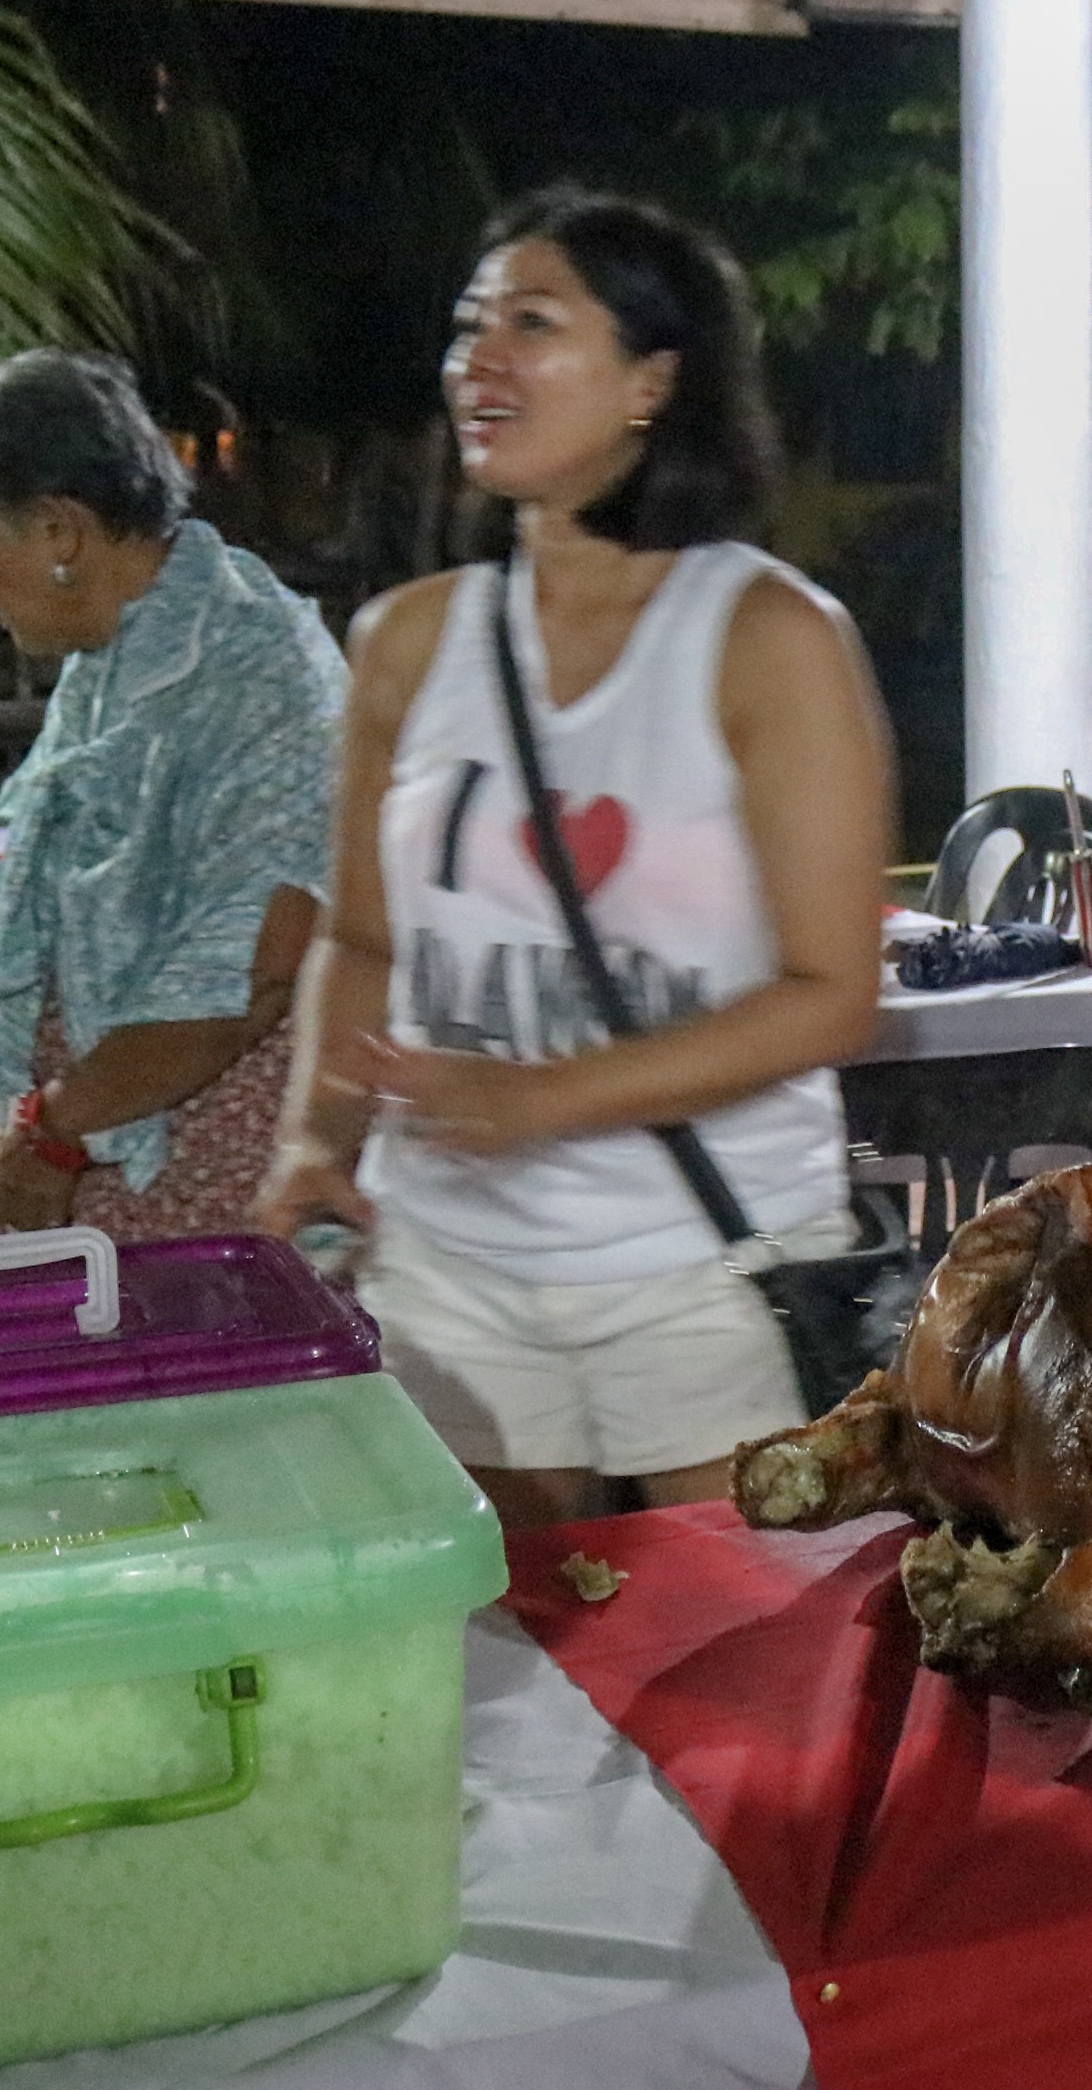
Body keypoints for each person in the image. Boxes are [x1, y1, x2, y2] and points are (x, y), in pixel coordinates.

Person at [257, 190, 894, 1530]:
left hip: (704, 1270)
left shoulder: (768, 636)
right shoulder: (408, 641)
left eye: (532, 326)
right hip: (446, 1261)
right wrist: (319, 1133)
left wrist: (546, 1097)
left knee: (734, 1678)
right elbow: (366, 940)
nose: (477, 363)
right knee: (498, 1666)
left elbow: (833, 991)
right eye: (466, 328)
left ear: (654, 380)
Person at [0, 353, 350, 1243]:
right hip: (106, 1156)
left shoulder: (254, 675)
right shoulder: (121, 660)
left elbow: (249, 975)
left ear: (59, 534)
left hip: (207, 1190)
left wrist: (52, 1135)